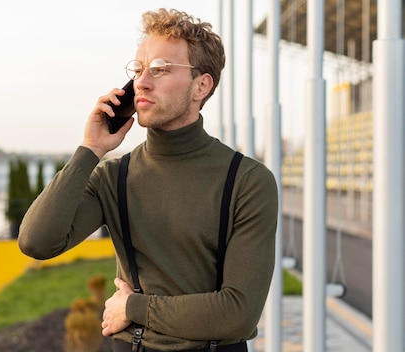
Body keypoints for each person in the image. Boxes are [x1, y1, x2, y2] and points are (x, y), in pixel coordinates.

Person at [18, 8, 278, 352]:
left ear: (202, 85)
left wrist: (133, 307)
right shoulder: (113, 176)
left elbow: (237, 314)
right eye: (138, 69)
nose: (141, 81)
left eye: (160, 69)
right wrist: (90, 149)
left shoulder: (248, 181)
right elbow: (37, 242)